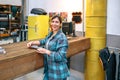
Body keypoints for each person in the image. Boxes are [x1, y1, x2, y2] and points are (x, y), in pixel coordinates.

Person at [27, 15, 70, 80]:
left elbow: (60, 56)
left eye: (56, 22)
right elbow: (44, 41)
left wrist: (45, 51)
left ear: (60, 24)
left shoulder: (62, 37)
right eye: (52, 21)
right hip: (50, 69)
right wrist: (32, 42)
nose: (54, 24)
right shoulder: (51, 33)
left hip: (58, 72)